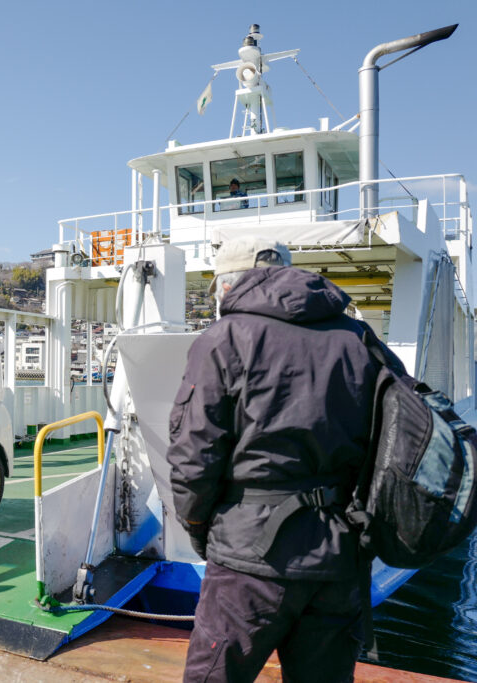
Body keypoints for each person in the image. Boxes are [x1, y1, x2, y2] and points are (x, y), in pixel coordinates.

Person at [166, 236, 399, 682]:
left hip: (247, 559)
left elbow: (193, 456)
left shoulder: (223, 339)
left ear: (230, 285)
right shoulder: (358, 338)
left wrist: (199, 530)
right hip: (337, 552)